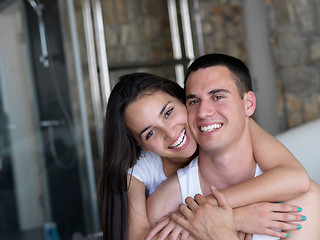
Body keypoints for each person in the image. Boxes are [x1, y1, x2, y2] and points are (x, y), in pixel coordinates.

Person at [100, 72, 309, 240]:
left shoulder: (220, 124)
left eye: (168, 112)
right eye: (150, 133)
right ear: (140, 145)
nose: (171, 133)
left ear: (184, 101)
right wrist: (235, 219)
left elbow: (294, 177)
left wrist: (209, 207)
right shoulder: (139, 175)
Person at [146, 54, 320, 239]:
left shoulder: (298, 201)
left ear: (249, 104)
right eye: (194, 101)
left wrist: (222, 231)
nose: (203, 112)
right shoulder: (164, 207)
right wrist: (233, 218)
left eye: (218, 96)